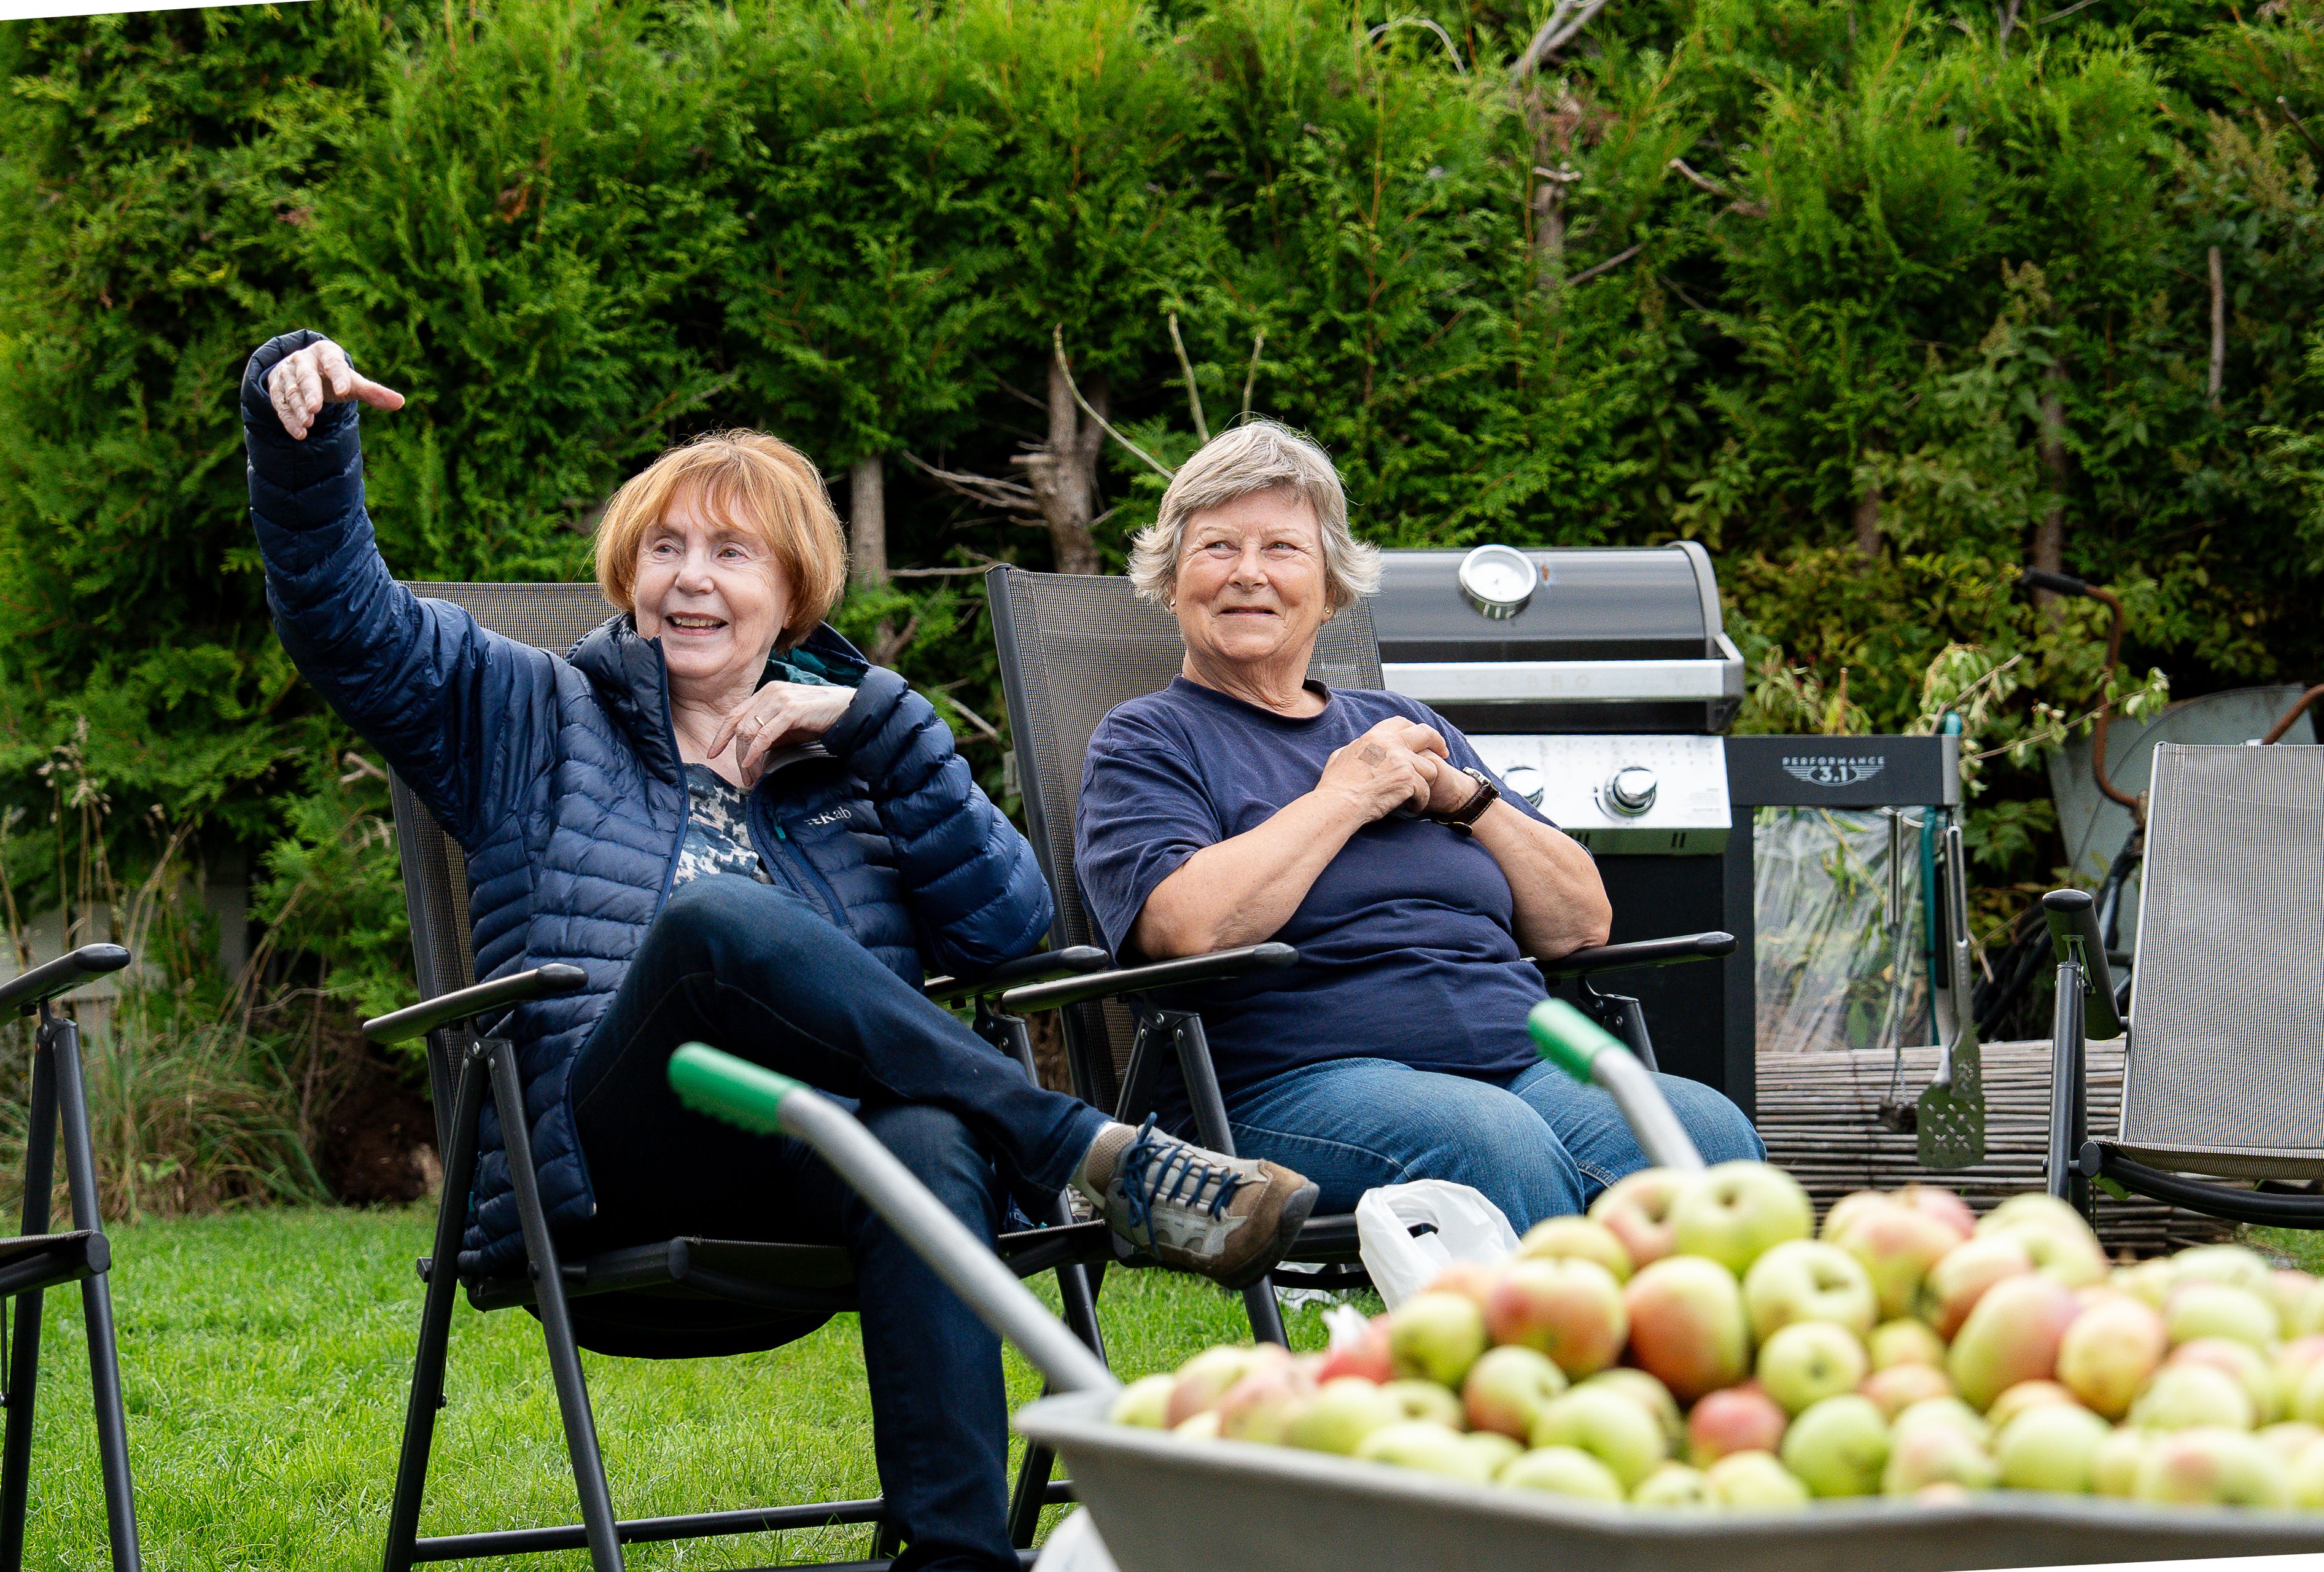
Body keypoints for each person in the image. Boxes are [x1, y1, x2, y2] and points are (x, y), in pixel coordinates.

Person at [242, 331, 1313, 1572]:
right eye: (666, 549)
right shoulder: (529, 713)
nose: (691, 580)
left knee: (924, 1136)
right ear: (627, 574)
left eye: (732, 552)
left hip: (813, 1167)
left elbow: (1009, 932)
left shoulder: (856, 761)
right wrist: (304, 443)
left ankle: (956, 1555)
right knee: (718, 930)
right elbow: (343, 621)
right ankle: (1079, 1148)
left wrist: (889, 731)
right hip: (612, 1160)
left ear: (792, 593)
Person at [1075, 421, 1762, 1234]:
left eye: (1284, 550)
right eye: (1217, 547)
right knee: (1491, 1144)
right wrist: (1345, 796)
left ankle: (1706, 1362)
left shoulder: (1403, 721)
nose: (1248, 574)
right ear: (1172, 577)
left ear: (1330, 587)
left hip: (1519, 1065)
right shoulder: (1147, 739)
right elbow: (1189, 926)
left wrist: (1468, 799)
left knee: (1706, 1131)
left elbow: (1582, 923)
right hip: (1285, 1088)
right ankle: (1539, 1358)